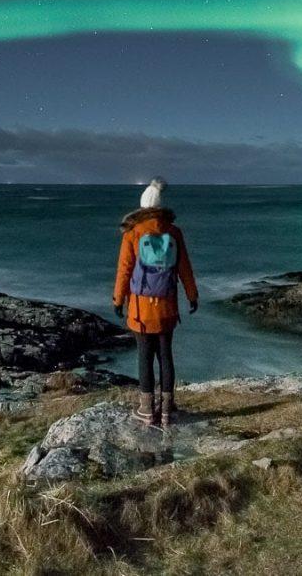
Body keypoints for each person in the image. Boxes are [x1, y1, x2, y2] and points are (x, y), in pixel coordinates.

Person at [112, 177, 199, 427]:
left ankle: (147, 410)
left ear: (142, 207)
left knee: (144, 357)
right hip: (168, 306)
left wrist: (118, 300)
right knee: (166, 356)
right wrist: (192, 295)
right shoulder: (174, 232)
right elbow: (185, 268)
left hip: (141, 309)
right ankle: (167, 409)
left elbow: (124, 270)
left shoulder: (133, 233)